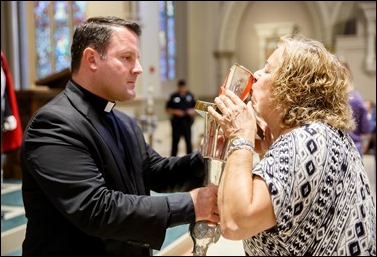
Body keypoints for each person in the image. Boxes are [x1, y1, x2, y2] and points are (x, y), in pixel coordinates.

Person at [20, 16, 219, 256]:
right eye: (127, 58)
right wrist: (191, 204)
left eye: (137, 59)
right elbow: (97, 209)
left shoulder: (123, 122)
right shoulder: (54, 123)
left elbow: (157, 172)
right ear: (92, 59)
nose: (139, 68)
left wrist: (208, 154)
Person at [207, 34, 376, 255]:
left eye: (267, 70)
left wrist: (241, 138)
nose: (256, 75)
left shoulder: (306, 141)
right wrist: (268, 150)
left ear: (292, 88)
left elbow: (235, 223)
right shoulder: (320, 134)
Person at [165, 79, 196, 156]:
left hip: (187, 123)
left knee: (188, 142)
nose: (182, 88)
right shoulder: (173, 96)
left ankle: (190, 160)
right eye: (180, 87)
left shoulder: (190, 96)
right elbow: (167, 109)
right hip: (176, 123)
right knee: (175, 142)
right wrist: (176, 112)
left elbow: (196, 108)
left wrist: (191, 111)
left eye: (183, 86)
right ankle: (173, 159)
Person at [348, 89, 371, 157]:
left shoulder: (335, 95)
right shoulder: (357, 98)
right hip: (355, 144)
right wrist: (365, 145)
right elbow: (365, 128)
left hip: (334, 143)